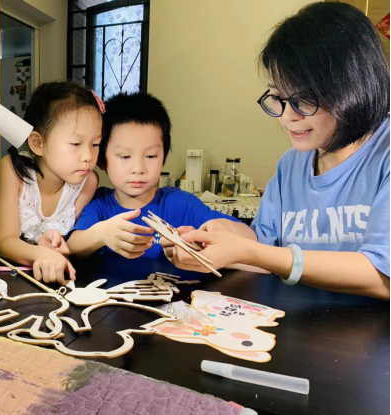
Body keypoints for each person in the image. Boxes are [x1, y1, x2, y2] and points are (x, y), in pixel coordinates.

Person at [162, 2, 390, 299]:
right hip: (297, 322)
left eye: (304, 99)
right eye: (278, 97)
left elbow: (382, 276)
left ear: (353, 86)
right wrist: (216, 241)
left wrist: (252, 252)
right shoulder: (291, 165)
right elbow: (265, 252)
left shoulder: (384, 154)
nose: (287, 116)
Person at [67, 92, 256, 259]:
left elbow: (250, 237)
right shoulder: (99, 203)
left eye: (151, 156)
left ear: (163, 158)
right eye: (125, 156)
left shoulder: (180, 203)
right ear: (102, 160)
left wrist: (211, 231)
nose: (138, 168)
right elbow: (73, 247)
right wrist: (100, 234)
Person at [0, 82, 104, 284]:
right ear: (38, 143)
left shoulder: (88, 182)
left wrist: (58, 246)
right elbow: (5, 241)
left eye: (95, 144)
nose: (88, 156)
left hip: (46, 274)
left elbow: (70, 240)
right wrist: (42, 254)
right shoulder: (13, 170)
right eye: (76, 144)